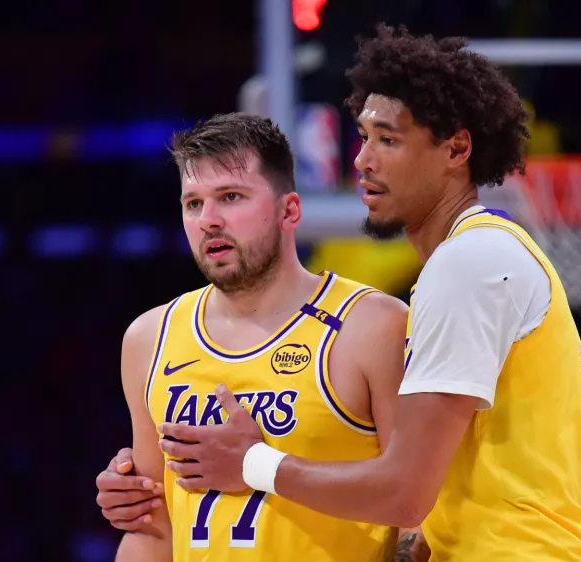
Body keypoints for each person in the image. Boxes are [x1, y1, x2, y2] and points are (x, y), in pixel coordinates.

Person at [153, 25, 581, 561]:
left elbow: (404, 493)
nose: (362, 161)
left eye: (388, 140)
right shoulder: (475, 257)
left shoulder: (468, 264)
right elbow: (434, 493)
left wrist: (252, 464)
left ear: (456, 148)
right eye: (364, 137)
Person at [106, 111, 429, 561]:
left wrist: (257, 465)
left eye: (231, 197)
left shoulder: (372, 326)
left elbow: (419, 514)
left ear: (289, 210)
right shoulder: (148, 338)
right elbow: (151, 527)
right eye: (193, 203)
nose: (209, 220)